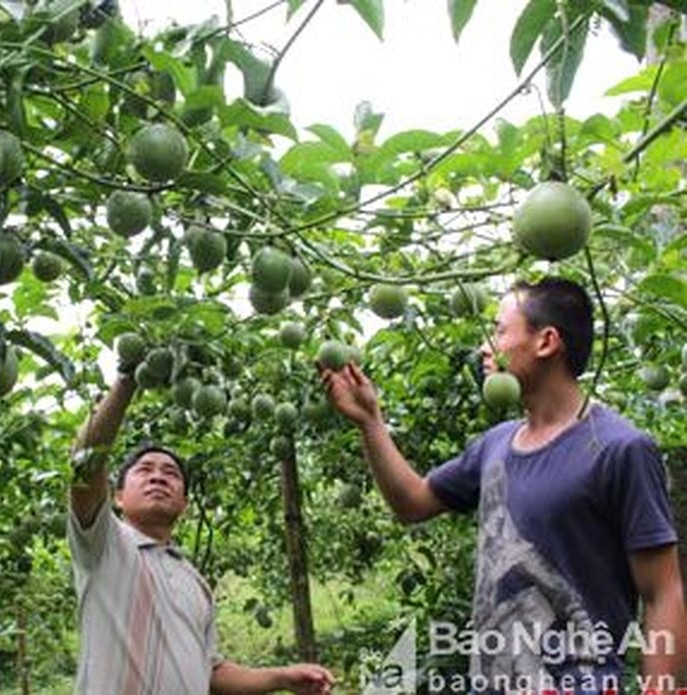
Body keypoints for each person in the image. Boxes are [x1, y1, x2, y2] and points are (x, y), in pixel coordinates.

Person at [320, 277, 686, 695]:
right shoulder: (497, 444)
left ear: (546, 341)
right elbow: (412, 504)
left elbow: (662, 592)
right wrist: (370, 422)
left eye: (498, 331)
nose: (485, 347)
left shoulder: (620, 449)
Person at [67, 369, 335, 695]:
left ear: (186, 505)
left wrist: (281, 677)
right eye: (145, 470)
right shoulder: (104, 546)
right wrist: (128, 377)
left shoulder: (195, 581)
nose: (158, 477)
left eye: (170, 473)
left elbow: (211, 670)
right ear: (118, 497)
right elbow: (85, 462)